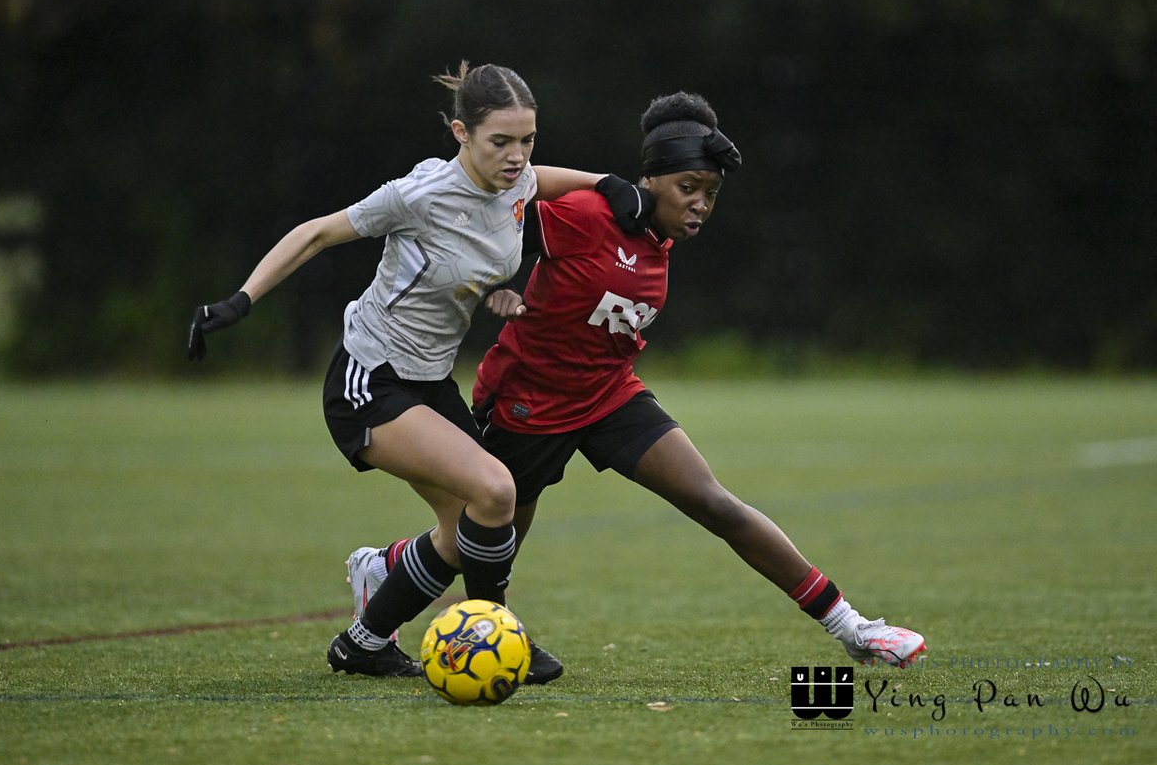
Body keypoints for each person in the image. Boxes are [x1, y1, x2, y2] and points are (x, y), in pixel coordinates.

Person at [344, 91, 926, 681]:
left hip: (610, 395)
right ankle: (393, 581)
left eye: (711, 194)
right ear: (649, 181)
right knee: (477, 542)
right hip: (528, 403)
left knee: (714, 503)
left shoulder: (658, 237)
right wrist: (498, 283)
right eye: (688, 188)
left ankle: (853, 628)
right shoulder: (591, 214)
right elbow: (492, 214)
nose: (700, 205)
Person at [186, 61, 653, 679]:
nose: (517, 156)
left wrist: (607, 182)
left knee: (466, 530)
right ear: (462, 133)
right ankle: (495, 632)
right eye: (500, 141)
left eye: (528, 140)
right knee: (496, 491)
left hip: (430, 381)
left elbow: (539, 180)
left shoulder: (516, 182)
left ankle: (364, 641)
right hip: (369, 377)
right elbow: (316, 233)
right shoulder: (420, 193)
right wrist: (241, 300)